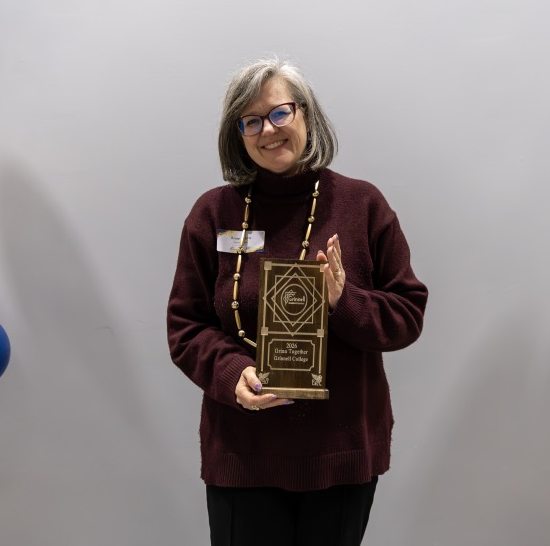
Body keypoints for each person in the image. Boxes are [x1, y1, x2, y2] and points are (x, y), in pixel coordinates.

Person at [167, 58, 428, 546]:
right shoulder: (213, 213)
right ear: (238, 135)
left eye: (279, 113)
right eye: (250, 121)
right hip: (244, 451)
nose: (268, 130)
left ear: (306, 114)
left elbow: (407, 314)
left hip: (340, 451)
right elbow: (187, 327)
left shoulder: (362, 205)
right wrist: (231, 375)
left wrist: (342, 300)